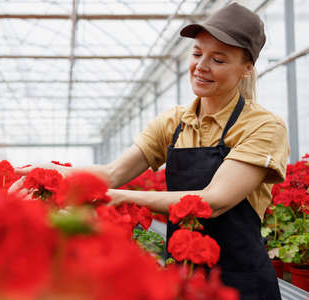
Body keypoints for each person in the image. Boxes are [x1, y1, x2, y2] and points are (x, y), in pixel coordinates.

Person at [16, 3, 289, 299]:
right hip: (183, 278)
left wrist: (119, 197)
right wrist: (52, 172)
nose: (201, 66)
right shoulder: (173, 122)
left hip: (243, 283)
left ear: (247, 68)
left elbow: (215, 200)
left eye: (219, 60)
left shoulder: (263, 126)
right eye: (197, 53)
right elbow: (112, 173)